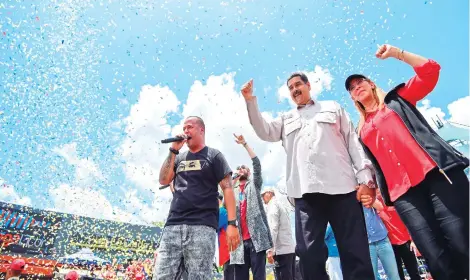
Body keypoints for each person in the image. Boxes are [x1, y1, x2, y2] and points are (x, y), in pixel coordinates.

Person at [345, 44, 469, 280]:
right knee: (434, 255)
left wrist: (396, 54)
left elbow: (430, 71)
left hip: (437, 175)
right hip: (404, 196)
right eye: (351, 88)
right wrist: (367, 186)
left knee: (462, 242)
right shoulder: (361, 131)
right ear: (352, 97)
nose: (356, 87)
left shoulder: (397, 100)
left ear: (371, 83)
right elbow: (369, 164)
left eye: (359, 81)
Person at [241, 76, 376, 280]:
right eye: (291, 88)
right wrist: (250, 100)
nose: (295, 89)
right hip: (306, 194)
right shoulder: (286, 118)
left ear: (308, 86)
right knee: (307, 254)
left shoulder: (332, 107)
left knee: (355, 250)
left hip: (344, 188)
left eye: (298, 85)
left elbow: (353, 143)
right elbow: (264, 131)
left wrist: (366, 179)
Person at [156, 116, 240, 280]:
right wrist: (173, 150)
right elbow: (164, 180)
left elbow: (228, 189)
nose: (185, 131)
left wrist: (232, 224)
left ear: (201, 130)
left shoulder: (214, 156)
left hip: (202, 226)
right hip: (173, 225)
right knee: (162, 276)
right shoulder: (179, 158)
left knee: (199, 276)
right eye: (184, 128)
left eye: (189, 127)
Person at [224, 134, 273, 280]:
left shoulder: (254, 185)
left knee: (259, 277)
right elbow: (225, 205)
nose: (241, 169)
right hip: (238, 244)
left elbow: (257, 164)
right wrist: (232, 183)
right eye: (238, 168)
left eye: (243, 168)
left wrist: (244, 144)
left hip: (256, 240)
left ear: (249, 173)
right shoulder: (233, 191)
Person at [373, 191, 421, 280]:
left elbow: (408, 221)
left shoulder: (395, 203)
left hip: (406, 242)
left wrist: (413, 240)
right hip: (390, 245)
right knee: (398, 274)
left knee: (414, 272)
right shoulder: (376, 210)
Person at [261, 187, 296, 280]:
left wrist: (270, 250)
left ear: (269, 193)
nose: (262, 198)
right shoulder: (282, 204)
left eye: (263, 195)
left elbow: (273, 228)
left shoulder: (273, 205)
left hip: (281, 251)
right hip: (289, 249)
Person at [362, 205, 400, 280]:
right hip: (367, 245)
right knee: (372, 277)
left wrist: (368, 196)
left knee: (394, 275)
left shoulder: (368, 197)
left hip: (383, 240)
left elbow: (380, 207)